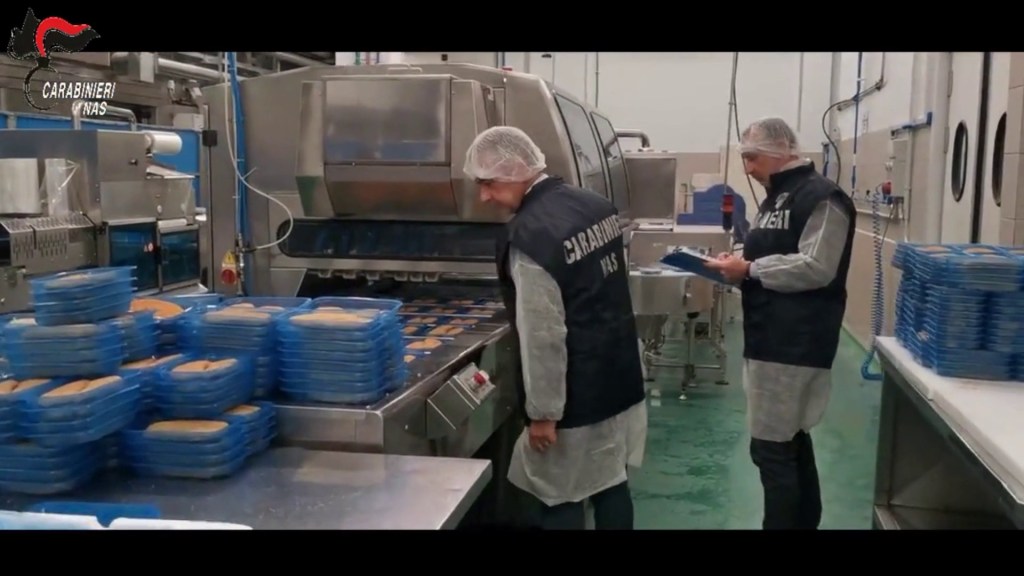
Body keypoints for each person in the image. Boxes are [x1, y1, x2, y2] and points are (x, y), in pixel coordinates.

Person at [463, 126, 648, 530]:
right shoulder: (595, 206)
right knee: (611, 481)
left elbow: (543, 336)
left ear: (515, 170)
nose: (485, 197)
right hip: (619, 374)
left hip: (575, 393)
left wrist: (544, 414)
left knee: (558, 495)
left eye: (488, 183)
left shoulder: (530, 237)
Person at [705, 117, 855, 530]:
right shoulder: (778, 198)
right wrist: (738, 264)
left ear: (779, 151)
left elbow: (816, 266)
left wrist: (750, 269)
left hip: (795, 341)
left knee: (772, 450)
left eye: (752, 157)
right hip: (770, 335)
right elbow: (776, 250)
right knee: (789, 443)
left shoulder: (822, 197)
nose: (748, 168)